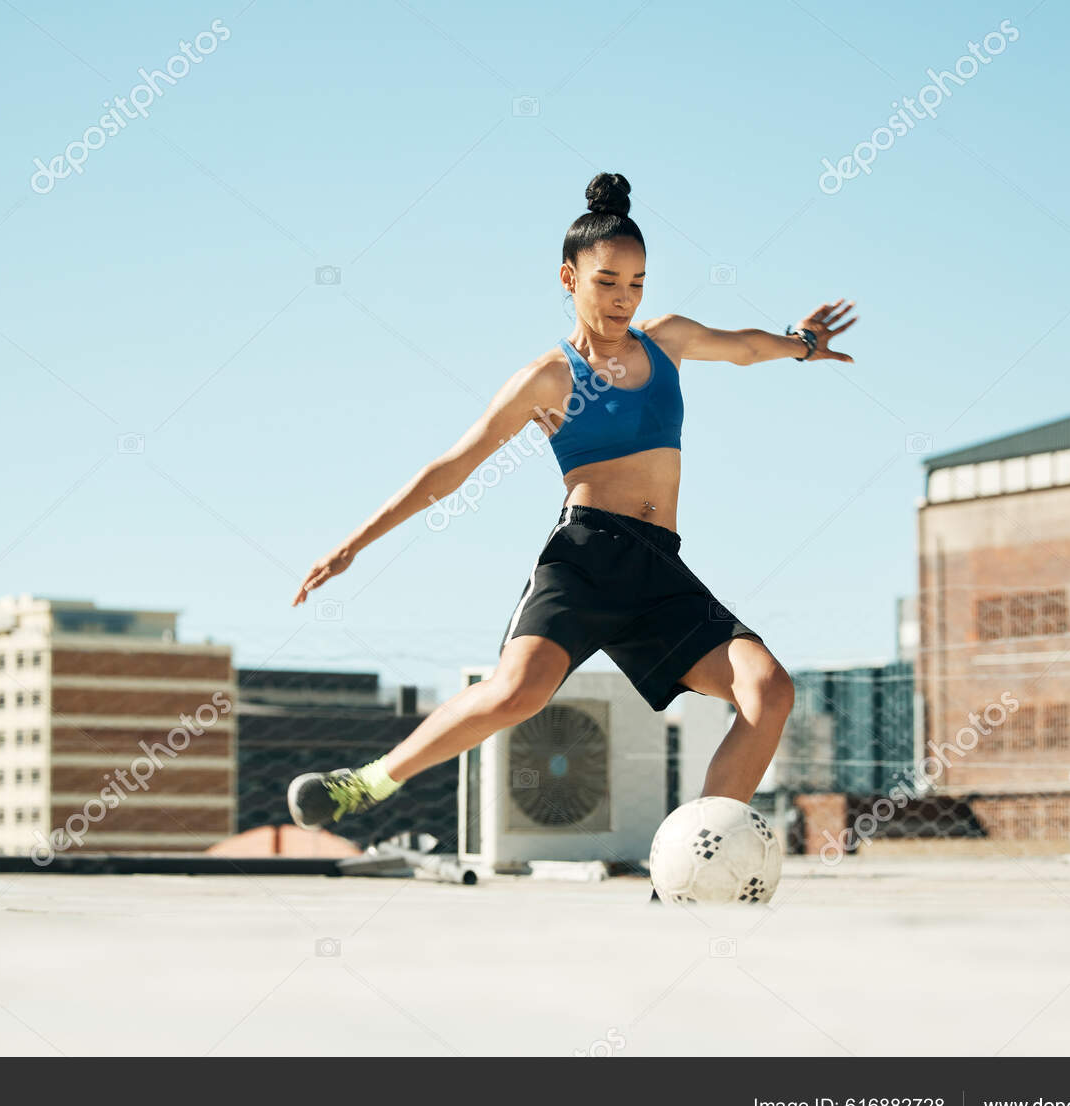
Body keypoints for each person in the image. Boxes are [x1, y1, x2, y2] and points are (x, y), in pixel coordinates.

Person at [286, 172, 856, 837]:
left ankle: (699, 859)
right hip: (583, 560)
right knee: (516, 692)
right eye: (607, 281)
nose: (624, 298)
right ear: (569, 277)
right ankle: (367, 782)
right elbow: (450, 469)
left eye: (637, 282)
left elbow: (746, 348)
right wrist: (354, 543)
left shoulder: (665, 340)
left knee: (770, 690)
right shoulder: (549, 378)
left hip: (656, 570)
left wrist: (801, 342)